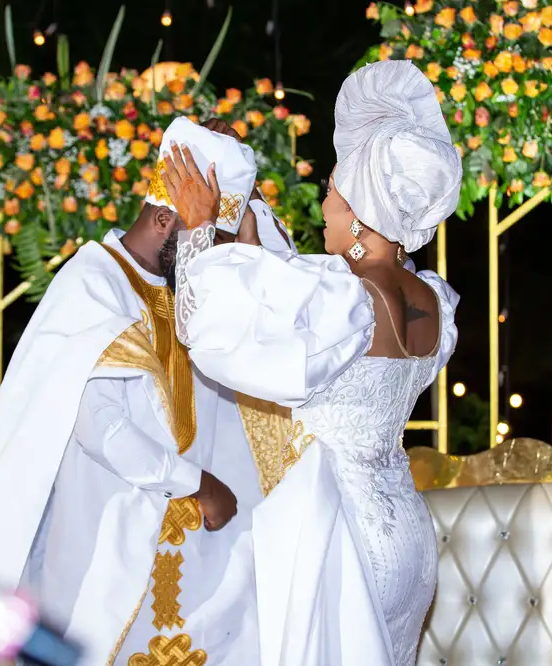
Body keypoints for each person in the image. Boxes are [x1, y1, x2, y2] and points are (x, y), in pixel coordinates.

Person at [165, 60, 462, 666]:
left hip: (343, 527)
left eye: (330, 191)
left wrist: (199, 232)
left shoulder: (347, 296)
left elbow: (213, 331)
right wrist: (248, 237)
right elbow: (295, 289)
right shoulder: (431, 301)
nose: (323, 205)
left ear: (357, 212)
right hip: (407, 530)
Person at [0, 117, 269, 665]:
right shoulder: (92, 285)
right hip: (104, 549)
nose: (209, 261)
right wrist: (197, 483)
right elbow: (102, 430)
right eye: (201, 241)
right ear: (163, 218)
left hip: (191, 562)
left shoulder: (182, 289)